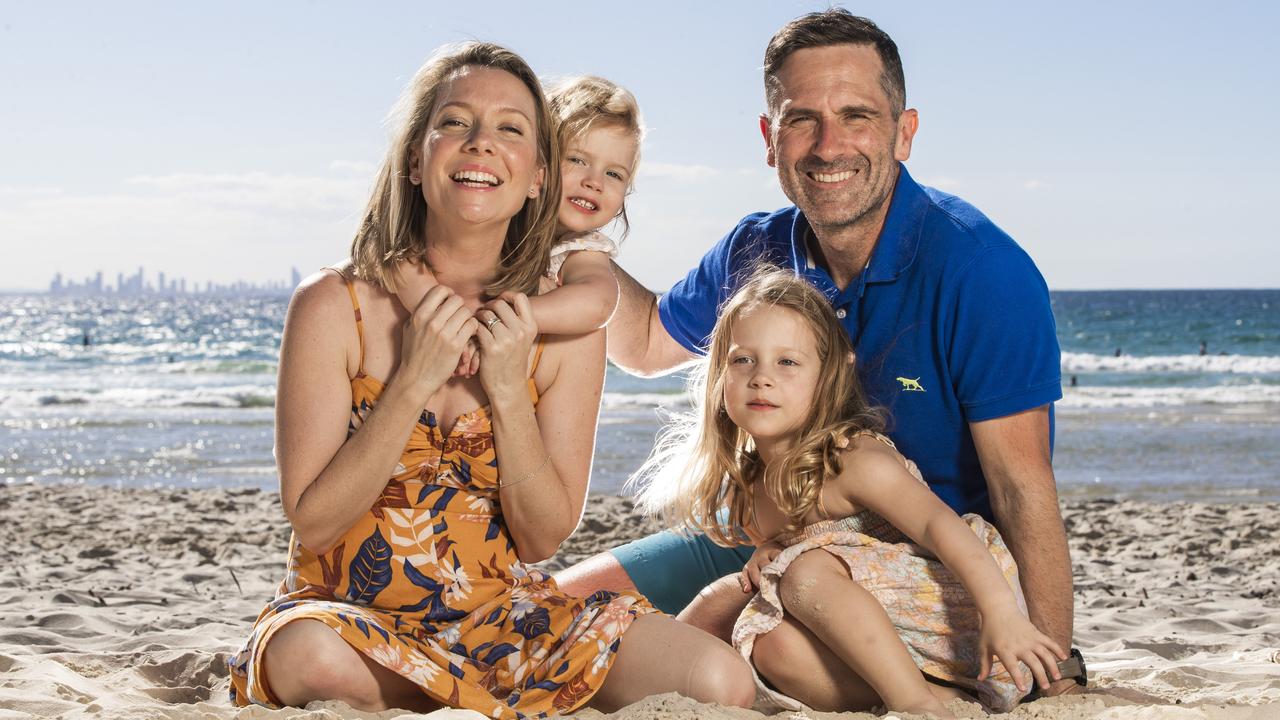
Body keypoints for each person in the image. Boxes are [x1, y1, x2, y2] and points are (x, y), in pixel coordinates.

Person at [555, 9, 1079, 697]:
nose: (829, 146)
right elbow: (650, 340)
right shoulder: (756, 249)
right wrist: (562, 240)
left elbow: (1020, 484)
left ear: (905, 132)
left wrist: (1053, 665)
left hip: (915, 575)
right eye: (803, 119)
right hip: (778, 536)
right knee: (558, 614)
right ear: (769, 139)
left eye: (857, 115)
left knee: (774, 643)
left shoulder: (982, 271)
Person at [226, 42, 752, 717]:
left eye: (510, 128)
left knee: (719, 682)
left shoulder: (566, 327)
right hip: (345, 622)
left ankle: (451, 695)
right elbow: (316, 521)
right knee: (310, 661)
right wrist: (412, 380)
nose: (480, 144)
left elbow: (540, 539)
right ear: (417, 159)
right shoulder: (334, 304)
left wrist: (507, 391)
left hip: (501, 625)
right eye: (455, 123)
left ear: (538, 175)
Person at [635, 270, 1065, 716]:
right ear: (719, 373)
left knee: (804, 573)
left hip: (960, 611)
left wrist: (1002, 613)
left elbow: (943, 528)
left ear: (829, 375)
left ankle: (915, 706)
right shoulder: (750, 487)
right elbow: (815, 545)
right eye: (743, 360)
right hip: (886, 639)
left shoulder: (851, 459)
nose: (761, 378)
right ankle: (947, 702)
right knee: (769, 643)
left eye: (788, 362)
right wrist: (774, 548)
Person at [393, 74, 642, 360]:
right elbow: (399, 262)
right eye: (577, 160)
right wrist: (452, 328)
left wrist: (492, 321)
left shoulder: (578, 249)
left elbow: (597, 302)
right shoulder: (496, 214)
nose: (594, 182)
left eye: (614, 174)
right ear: (537, 166)